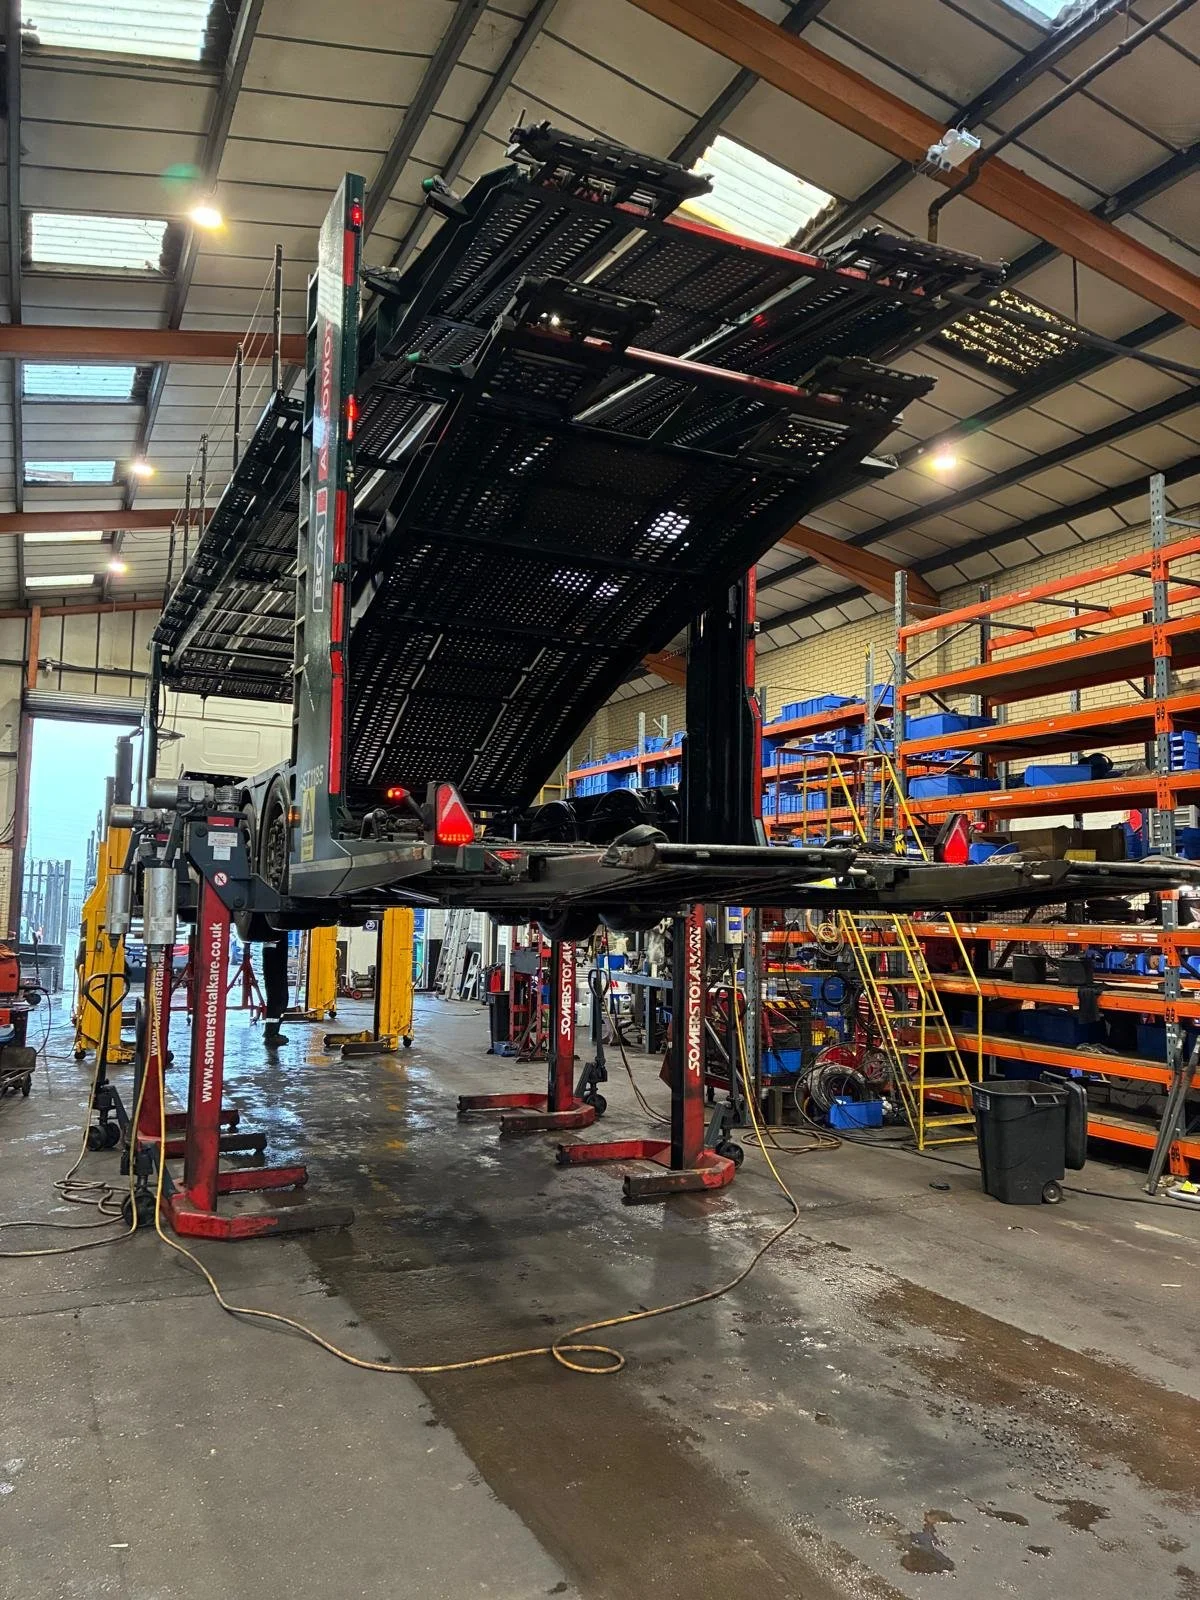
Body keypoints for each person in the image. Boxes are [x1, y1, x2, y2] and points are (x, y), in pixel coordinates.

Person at [261, 937, 289, 1047]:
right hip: (273, 956)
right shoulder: (274, 926)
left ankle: (274, 1031)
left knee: (281, 999)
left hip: (276, 955)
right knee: (277, 998)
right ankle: (270, 1033)